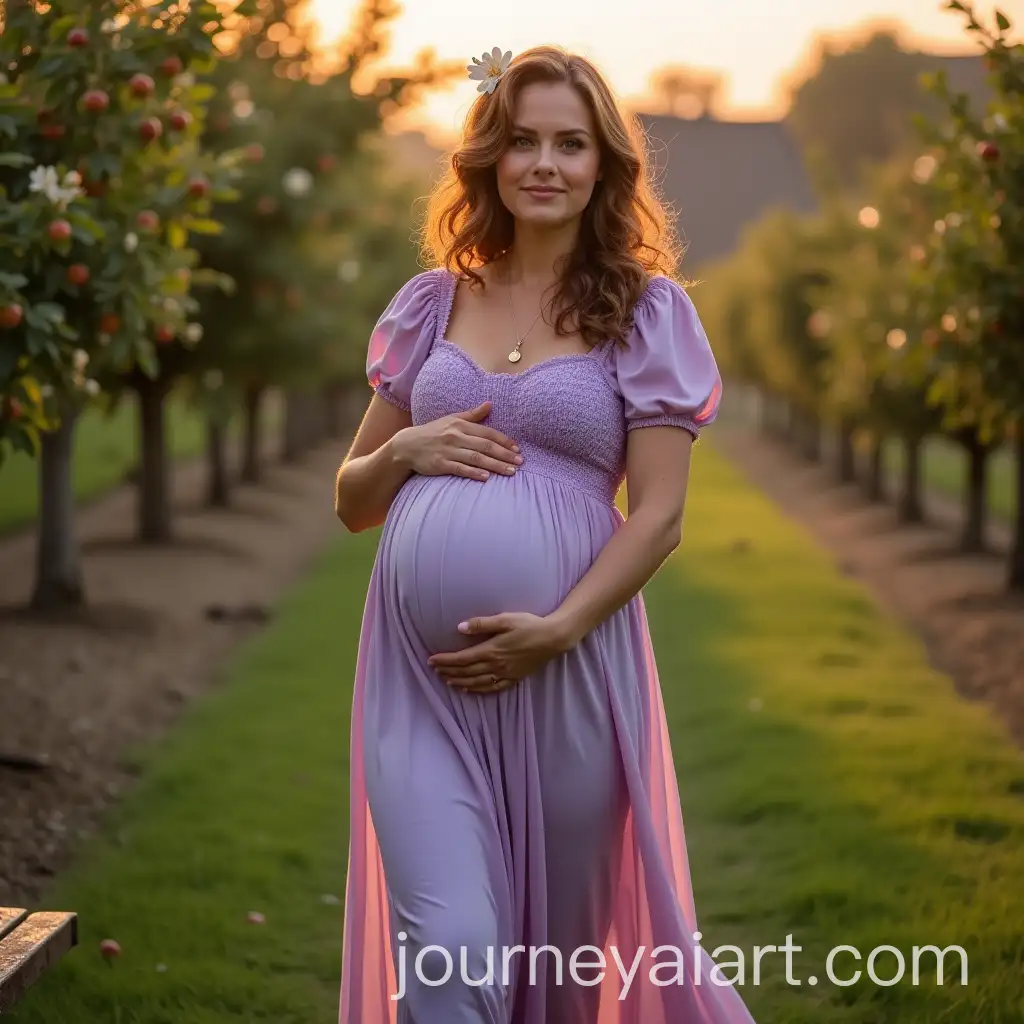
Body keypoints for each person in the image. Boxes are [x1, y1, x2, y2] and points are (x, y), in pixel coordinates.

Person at [334, 44, 756, 1024]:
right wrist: (407, 451)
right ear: (487, 156)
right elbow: (353, 499)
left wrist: (557, 628)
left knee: (557, 978)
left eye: (570, 143)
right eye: (522, 140)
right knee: (448, 952)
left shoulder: (645, 314)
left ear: (604, 166)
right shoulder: (432, 303)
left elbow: (659, 515)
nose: (544, 163)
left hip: (568, 675)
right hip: (420, 684)